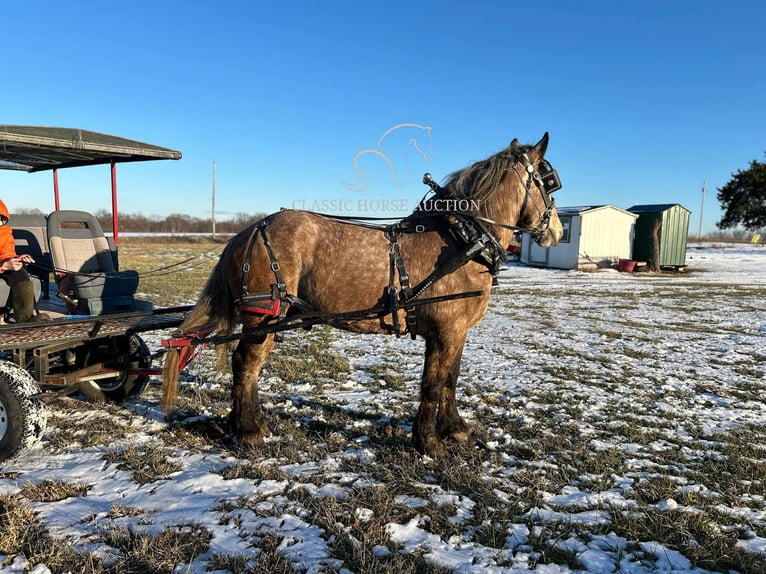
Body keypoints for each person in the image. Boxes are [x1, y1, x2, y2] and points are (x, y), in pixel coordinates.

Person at [0, 200, 50, 322]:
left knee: (18, 271)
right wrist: (3, 266)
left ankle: (24, 319)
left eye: (1, 218)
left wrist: (14, 260)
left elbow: (6, 253)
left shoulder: (5, 232)